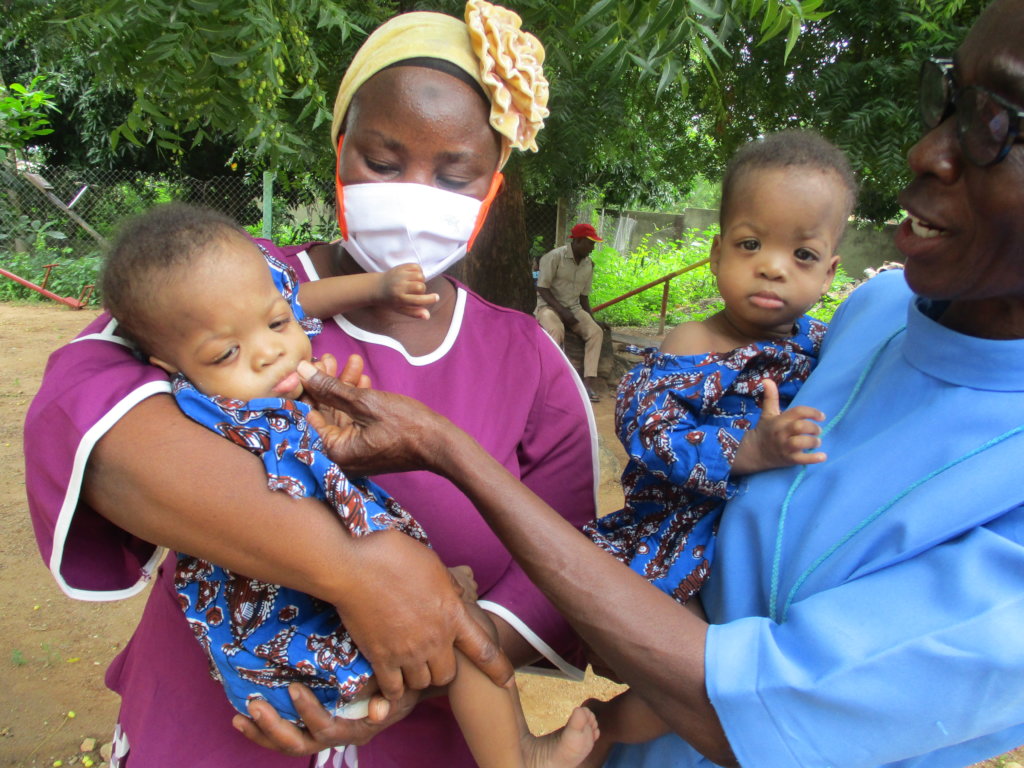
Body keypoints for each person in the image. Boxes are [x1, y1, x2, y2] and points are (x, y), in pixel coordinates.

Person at [287, 1, 1024, 765]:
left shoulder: (534, 360)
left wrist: (447, 502)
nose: (927, 151)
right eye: (947, 97)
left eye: (998, 123)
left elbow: (745, 703)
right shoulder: (875, 313)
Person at [23, 2, 598, 766]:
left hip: (427, 736)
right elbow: (87, 414)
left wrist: (428, 648)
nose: (414, 192)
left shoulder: (531, 363)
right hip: (217, 729)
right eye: (383, 162)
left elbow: (567, 563)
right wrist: (358, 573)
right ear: (339, 147)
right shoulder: (219, 282)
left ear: (494, 183)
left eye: (454, 174)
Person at [98, 201, 598, 767]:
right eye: (227, 353)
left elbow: (299, 296)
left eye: (277, 324)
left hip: (311, 646)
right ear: (168, 365)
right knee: (452, 619)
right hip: (289, 625)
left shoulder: (250, 370)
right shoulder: (198, 413)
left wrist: (376, 288)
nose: (269, 352)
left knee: (450, 613)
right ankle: (516, 757)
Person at [579, 129, 855, 763]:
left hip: (767, 552)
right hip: (682, 533)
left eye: (803, 254)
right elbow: (645, 428)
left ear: (829, 273)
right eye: (751, 244)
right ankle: (596, 731)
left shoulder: (825, 347)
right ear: (715, 251)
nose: (773, 266)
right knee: (684, 685)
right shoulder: (693, 342)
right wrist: (744, 450)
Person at [535, 222, 606, 402]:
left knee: (596, 332)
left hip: (574, 308)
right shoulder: (554, 257)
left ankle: (587, 384)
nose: (592, 247)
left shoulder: (588, 264)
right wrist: (562, 311)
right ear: (578, 240)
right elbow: (542, 288)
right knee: (555, 330)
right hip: (548, 307)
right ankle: (550, 381)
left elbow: (584, 296)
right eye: (590, 243)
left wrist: (592, 319)